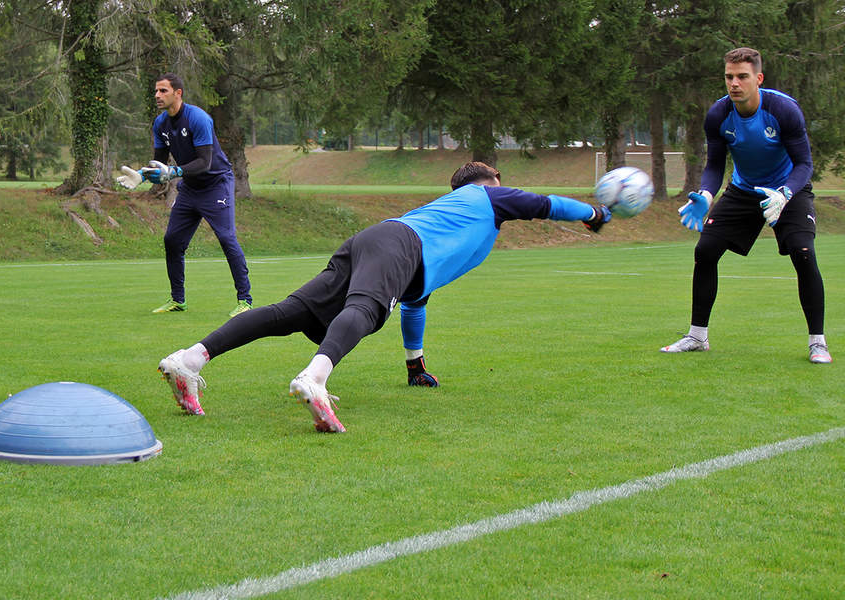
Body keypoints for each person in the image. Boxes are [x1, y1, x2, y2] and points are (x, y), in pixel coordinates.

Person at [157, 161, 612, 432]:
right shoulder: (484, 196)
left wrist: (414, 365)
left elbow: (417, 300)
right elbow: (549, 204)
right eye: (500, 180)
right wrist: (593, 212)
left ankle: (191, 359)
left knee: (292, 311)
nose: (505, 186)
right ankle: (315, 378)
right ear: (487, 182)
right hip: (399, 244)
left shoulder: (451, 220)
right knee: (366, 309)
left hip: (378, 240)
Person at [664, 47, 829, 364]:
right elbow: (714, 165)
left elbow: (804, 164)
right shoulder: (718, 114)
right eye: (729, 76)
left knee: (803, 251)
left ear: (758, 78)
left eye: (742, 76)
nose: (734, 83)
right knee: (705, 251)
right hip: (742, 190)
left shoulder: (783, 110)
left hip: (787, 188)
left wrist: (784, 193)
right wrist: (707, 196)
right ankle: (697, 336)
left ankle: (818, 343)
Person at [139, 72, 252, 318]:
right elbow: (159, 164)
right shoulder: (160, 124)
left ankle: (245, 300)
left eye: (163, 91)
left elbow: (204, 162)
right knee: (172, 241)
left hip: (216, 184)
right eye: (156, 91)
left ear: (178, 93)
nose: (157, 95)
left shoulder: (198, 118)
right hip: (190, 189)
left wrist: (175, 171)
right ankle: (178, 300)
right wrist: (142, 174)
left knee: (226, 237)